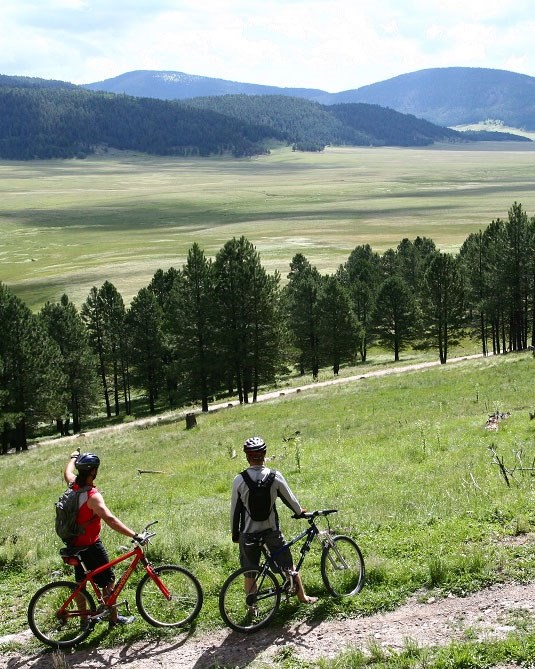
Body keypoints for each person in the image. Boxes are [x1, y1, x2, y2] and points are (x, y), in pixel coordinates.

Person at [230, 436, 318, 604]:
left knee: (250, 572)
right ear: (264, 455)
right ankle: (303, 597)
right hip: (271, 531)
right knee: (288, 566)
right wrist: (300, 512)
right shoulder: (275, 476)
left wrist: (236, 534)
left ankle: (252, 608)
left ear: (247, 457)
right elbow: (291, 500)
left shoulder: (239, 480)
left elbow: (234, 510)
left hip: (248, 534)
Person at [63, 449, 139, 626]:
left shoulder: (73, 485)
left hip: (74, 543)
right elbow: (111, 520)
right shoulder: (92, 497)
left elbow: (67, 472)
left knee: (80, 583)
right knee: (108, 581)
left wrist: (73, 457)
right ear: (93, 472)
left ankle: (84, 621)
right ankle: (114, 619)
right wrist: (134, 534)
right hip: (90, 545)